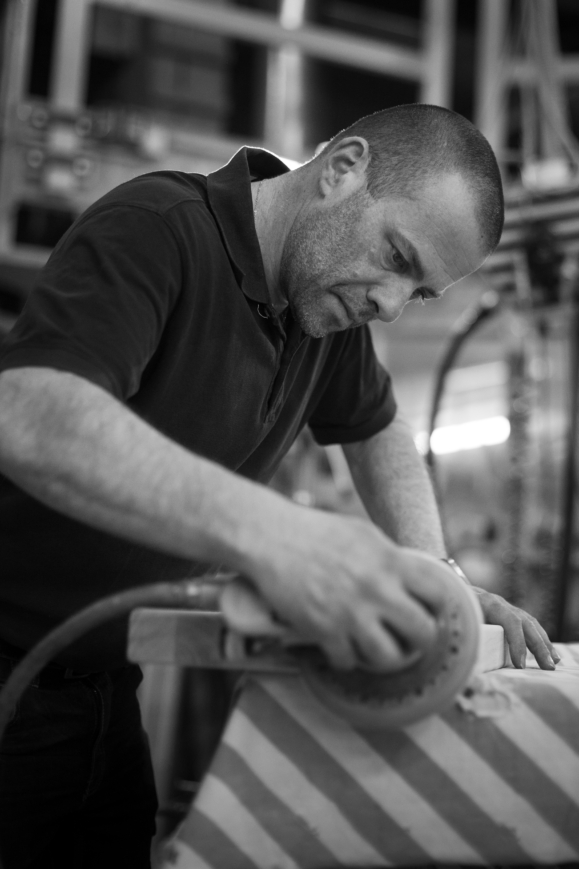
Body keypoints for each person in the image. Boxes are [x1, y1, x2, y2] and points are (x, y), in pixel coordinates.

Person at [0, 104, 559, 867]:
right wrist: (282, 538)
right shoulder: (158, 227)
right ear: (340, 170)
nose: (390, 306)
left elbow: (378, 430)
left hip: (102, 688)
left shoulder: (323, 315)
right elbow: (30, 412)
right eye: (396, 256)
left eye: (420, 294)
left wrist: (434, 574)